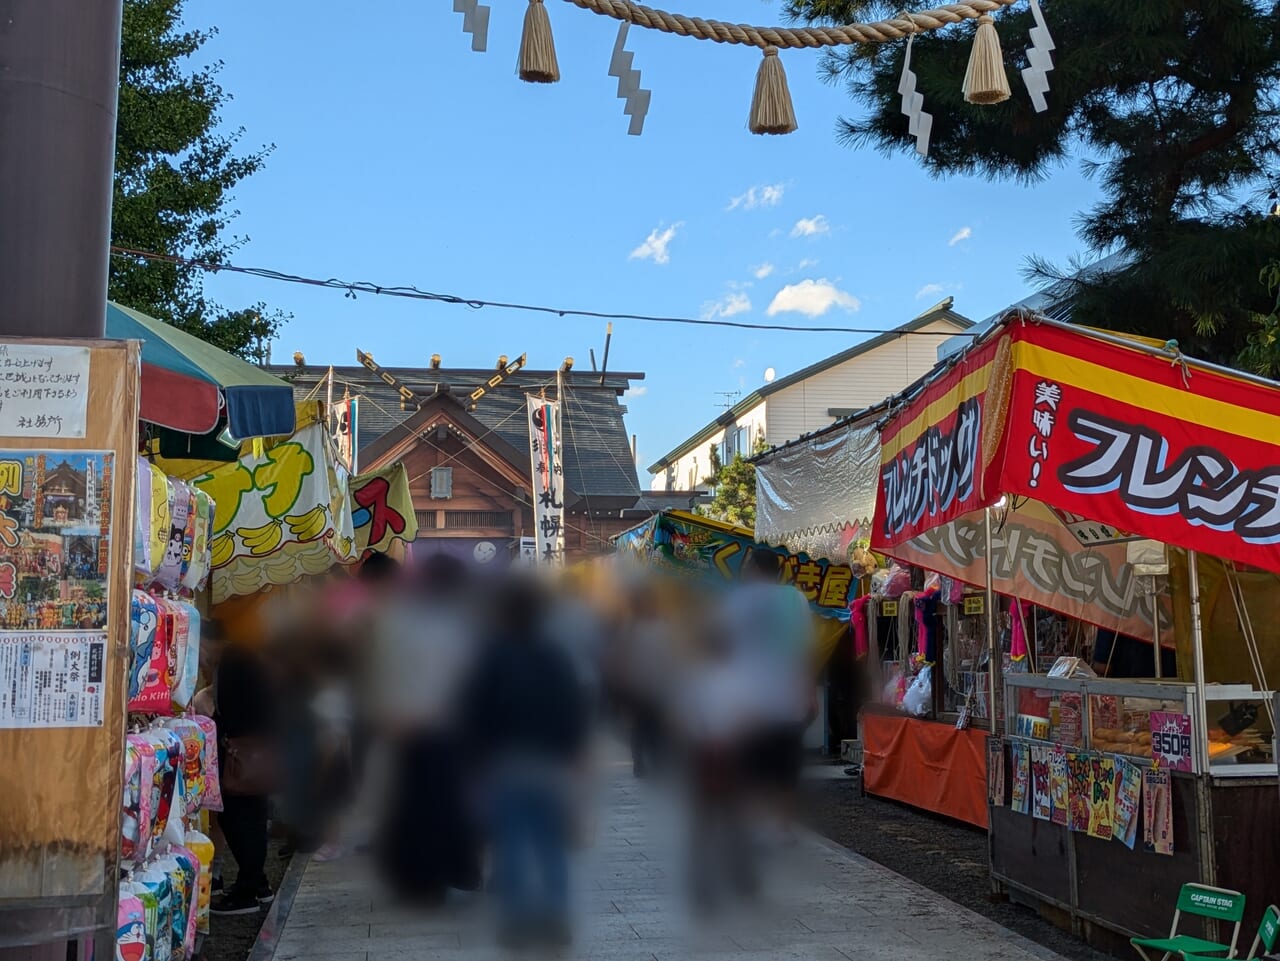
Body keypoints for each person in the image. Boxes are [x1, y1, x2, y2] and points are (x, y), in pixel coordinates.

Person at [461, 575, 590, 949]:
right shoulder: (555, 656)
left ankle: (516, 922)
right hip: (550, 763)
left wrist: (474, 759)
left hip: (506, 763)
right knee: (551, 846)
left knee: (512, 843)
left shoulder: (492, 656)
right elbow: (574, 711)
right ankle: (556, 917)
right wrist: (575, 757)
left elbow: (475, 712)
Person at [369, 552, 482, 904]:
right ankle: (454, 869)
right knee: (446, 802)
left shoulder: (405, 622)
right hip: (449, 728)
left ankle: (425, 879)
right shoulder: (463, 624)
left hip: (413, 725)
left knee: (418, 804)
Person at [728, 550, 816, 847]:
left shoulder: (739, 601)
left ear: (753, 569)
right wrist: (809, 692)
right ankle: (782, 825)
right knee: (786, 766)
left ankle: (755, 824)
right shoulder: (795, 599)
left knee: (751, 766)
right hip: (787, 700)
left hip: (749, 701)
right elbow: (805, 649)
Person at [208, 618, 280, 915]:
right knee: (250, 818)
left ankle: (248, 891)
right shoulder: (242, 658)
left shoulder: (233, 662)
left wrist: (218, 729)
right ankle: (258, 885)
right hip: (257, 753)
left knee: (239, 818)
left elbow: (232, 709)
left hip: (243, 755)